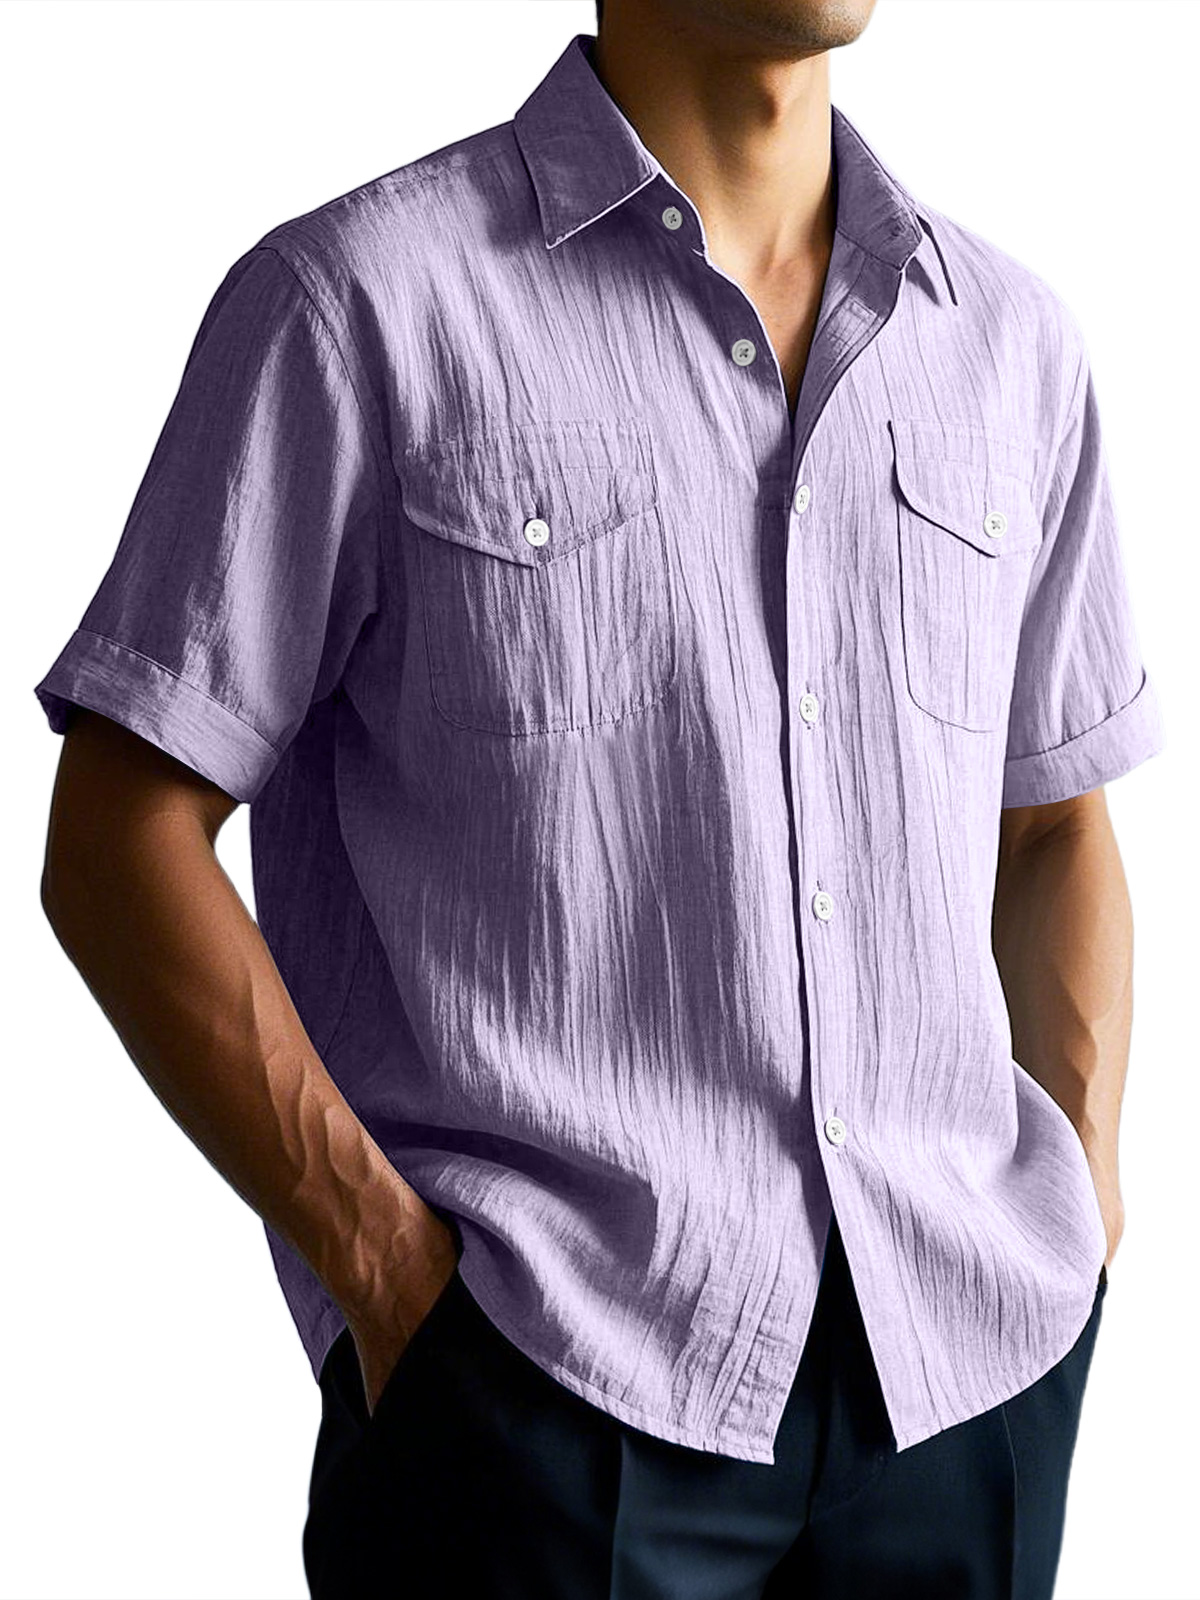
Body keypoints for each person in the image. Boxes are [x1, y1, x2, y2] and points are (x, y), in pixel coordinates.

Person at [34, 1, 1164, 1595]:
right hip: (542, 1395)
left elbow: (1050, 823)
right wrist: (383, 1270)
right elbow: (120, 835)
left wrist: (1083, 1216)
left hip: (964, 1379)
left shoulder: (1012, 346)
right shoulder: (361, 306)